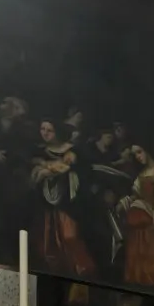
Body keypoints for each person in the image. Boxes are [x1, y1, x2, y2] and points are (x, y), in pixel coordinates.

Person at [31, 118, 97, 279]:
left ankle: (83, 274)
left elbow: (83, 171)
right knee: (49, 243)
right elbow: (34, 176)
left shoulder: (73, 150)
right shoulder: (39, 152)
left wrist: (51, 170)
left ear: (57, 131)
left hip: (68, 204)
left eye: (49, 130)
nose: (45, 133)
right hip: (47, 206)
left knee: (70, 236)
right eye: (42, 129)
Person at [118, 146, 154, 289]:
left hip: (149, 218)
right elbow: (135, 195)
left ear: (147, 149)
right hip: (136, 220)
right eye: (135, 154)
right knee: (135, 253)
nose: (138, 157)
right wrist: (123, 203)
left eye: (139, 152)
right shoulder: (141, 174)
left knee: (151, 256)